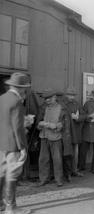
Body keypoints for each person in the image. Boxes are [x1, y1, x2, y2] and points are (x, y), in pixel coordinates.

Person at [0, 72, 31, 214]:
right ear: (21, 88)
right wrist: (23, 147)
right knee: (11, 174)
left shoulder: (2, 98)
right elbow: (17, 128)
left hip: (1, 143)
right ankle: (11, 208)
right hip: (13, 144)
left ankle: (1, 204)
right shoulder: (17, 101)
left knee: (1, 173)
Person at [37, 89, 71, 187]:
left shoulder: (62, 108)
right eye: (45, 99)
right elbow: (38, 122)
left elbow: (65, 124)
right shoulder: (43, 108)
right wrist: (40, 124)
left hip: (56, 137)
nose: (46, 100)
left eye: (49, 98)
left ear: (54, 98)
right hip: (44, 136)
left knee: (57, 159)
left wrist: (57, 126)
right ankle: (43, 179)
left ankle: (59, 180)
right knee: (43, 159)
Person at [62, 87, 86, 178]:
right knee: (66, 153)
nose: (71, 97)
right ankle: (66, 173)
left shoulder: (77, 104)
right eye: (69, 95)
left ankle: (74, 170)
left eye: (73, 95)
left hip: (75, 132)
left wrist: (77, 118)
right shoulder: (62, 104)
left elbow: (84, 116)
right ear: (66, 95)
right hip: (65, 132)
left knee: (75, 154)